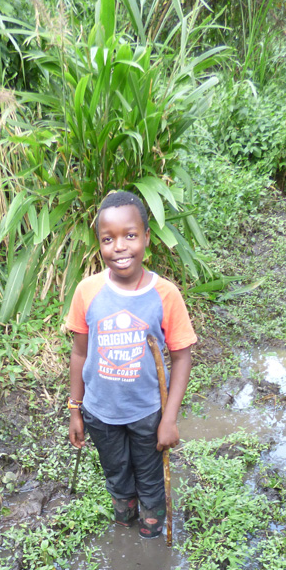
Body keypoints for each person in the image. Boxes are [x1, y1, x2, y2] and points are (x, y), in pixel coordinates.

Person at [66, 190, 196, 538]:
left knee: (149, 471)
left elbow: (181, 356)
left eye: (130, 235)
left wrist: (168, 419)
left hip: (147, 412)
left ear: (146, 237)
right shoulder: (87, 291)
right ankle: (126, 508)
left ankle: (152, 520)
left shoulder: (165, 294)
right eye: (108, 239)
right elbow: (79, 353)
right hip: (99, 412)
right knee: (116, 470)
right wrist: (75, 409)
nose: (120, 247)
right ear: (99, 245)